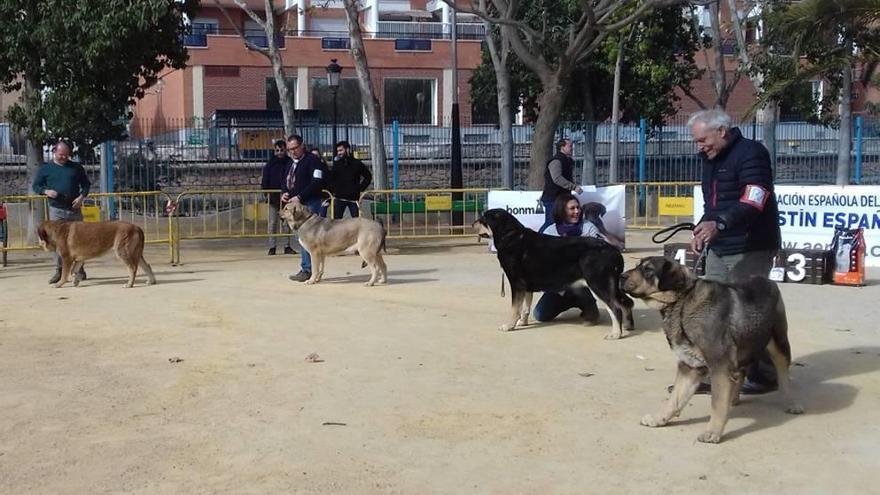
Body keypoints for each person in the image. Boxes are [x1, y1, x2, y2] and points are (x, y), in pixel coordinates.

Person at [688, 108, 782, 395]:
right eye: (696, 141)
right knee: (713, 312)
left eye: (703, 140)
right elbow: (712, 203)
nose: (699, 146)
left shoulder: (752, 153)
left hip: (751, 245)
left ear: (722, 132)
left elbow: (755, 200)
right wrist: (704, 226)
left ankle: (764, 374)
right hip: (720, 244)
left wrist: (721, 223)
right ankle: (718, 372)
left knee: (752, 313)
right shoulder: (709, 159)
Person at [532, 194, 603, 324]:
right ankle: (570, 301)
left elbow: (601, 252)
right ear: (562, 210)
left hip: (582, 279)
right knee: (540, 315)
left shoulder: (588, 227)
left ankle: (589, 305)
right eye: (572, 208)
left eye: (578, 208)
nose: (577, 211)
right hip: (558, 284)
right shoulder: (550, 231)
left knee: (578, 282)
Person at [32, 140, 90, 284]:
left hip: (74, 209)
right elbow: (36, 186)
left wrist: (82, 197)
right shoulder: (46, 169)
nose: (63, 157)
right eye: (61, 154)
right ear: (54, 152)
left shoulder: (76, 168)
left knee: (79, 241)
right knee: (58, 243)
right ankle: (59, 271)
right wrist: (46, 191)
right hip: (57, 211)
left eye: (66, 154)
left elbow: (86, 185)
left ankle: (79, 270)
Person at [282, 134, 325, 282]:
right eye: (289, 149)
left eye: (295, 148)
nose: (292, 152)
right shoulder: (290, 163)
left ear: (302, 146)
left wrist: (300, 197)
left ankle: (308, 269)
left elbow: (317, 182)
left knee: (309, 238)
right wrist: (284, 193)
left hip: (309, 204)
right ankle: (308, 268)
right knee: (302, 238)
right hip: (294, 205)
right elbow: (286, 181)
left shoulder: (313, 161)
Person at [539, 138, 582, 233]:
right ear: (562, 147)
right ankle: (537, 241)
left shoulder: (568, 161)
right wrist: (573, 187)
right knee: (551, 223)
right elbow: (557, 179)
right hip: (553, 198)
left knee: (560, 222)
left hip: (561, 198)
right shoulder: (556, 161)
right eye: (570, 146)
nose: (572, 148)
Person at [260, 140, 295, 256]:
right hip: (273, 198)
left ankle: (287, 246)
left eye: (281, 150)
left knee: (287, 223)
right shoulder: (270, 164)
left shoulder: (290, 163)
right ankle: (272, 246)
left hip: (287, 198)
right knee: (272, 223)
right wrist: (266, 193)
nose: (279, 152)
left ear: (285, 150)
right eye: (277, 150)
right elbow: (265, 180)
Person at [328, 140, 372, 219]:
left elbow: (368, 176)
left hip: (353, 199)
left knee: (356, 222)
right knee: (336, 223)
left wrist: (360, 188)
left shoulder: (357, 163)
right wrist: (334, 189)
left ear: (347, 149)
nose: (339, 153)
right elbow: (331, 178)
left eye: (341, 150)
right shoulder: (337, 164)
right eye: (337, 151)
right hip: (339, 198)